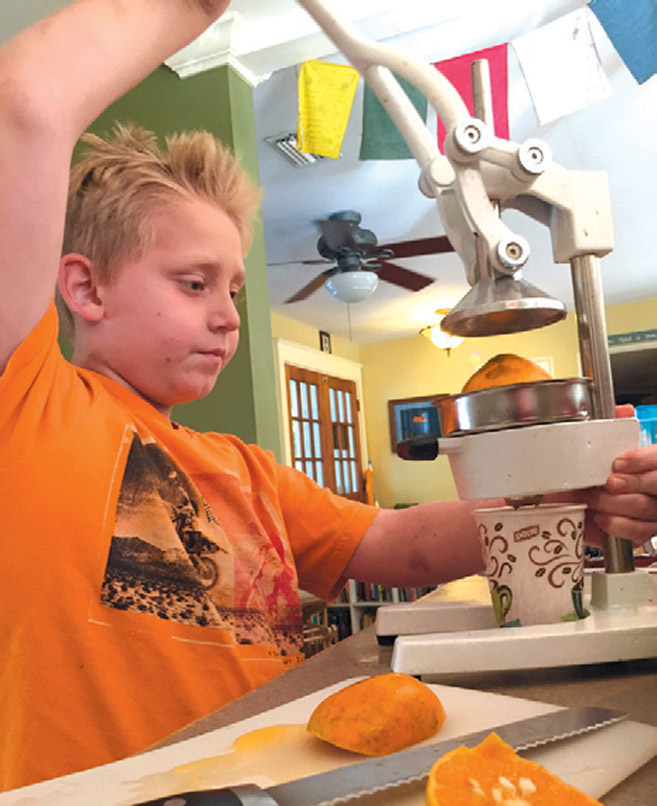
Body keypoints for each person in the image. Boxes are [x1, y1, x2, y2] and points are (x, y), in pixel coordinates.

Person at [0, 0, 655, 793]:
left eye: (234, 290)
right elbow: (23, 103)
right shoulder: (26, 400)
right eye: (194, 283)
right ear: (85, 289)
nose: (227, 316)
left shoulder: (244, 469)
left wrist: (568, 504)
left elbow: (399, 546)